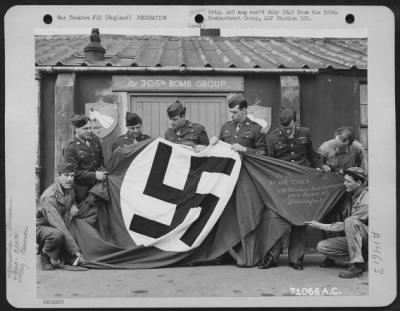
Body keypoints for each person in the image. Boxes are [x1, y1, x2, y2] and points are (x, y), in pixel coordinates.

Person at [259, 107, 322, 270]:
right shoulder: (272, 137)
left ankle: (296, 259)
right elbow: (270, 163)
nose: (287, 132)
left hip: (302, 184)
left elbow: (311, 155)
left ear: (295, 121)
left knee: (300, 220)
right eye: (283, 129)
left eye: (289, 128)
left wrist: (321, 166)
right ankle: (272, 258)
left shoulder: (305, 133)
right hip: (283, 185)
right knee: (276, 219)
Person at [317, 126, 368, 268]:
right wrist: (322, 167)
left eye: (342, 146)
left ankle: (355, 256)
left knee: (349, 220)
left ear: (350, 144)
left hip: (349, 191)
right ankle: (329, 258)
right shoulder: (325, 147)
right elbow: (316, 164)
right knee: (328, 218)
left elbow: (363, 171)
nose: (338, 147)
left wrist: (360, 192)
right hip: (330, 191)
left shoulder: (358, 149)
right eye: (337, 143)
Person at [305, 167, 368, 278]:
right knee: (323, 247)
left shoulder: (367, 200)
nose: (344, 184)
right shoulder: (351, 196)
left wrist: (320, 226)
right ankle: (362, 259)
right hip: (359, 241)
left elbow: (346, 225)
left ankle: (357, 265)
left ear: (359, 182)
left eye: (348, 181)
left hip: (371, 241)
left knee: (351, 221)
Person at [36, 162, 87, 271]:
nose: (70, 179)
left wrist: (74, 205)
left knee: (75, 226)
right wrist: (76, 250)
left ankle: (64, 256)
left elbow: (73, 199)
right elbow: (59, 225)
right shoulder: (49, 197)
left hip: (55, 224)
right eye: (66, 175)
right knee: (57, 234)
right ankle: (44, 255)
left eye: (72, 175)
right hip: (41, 228)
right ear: (58, 176)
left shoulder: (69, 189)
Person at [63, 114, 107, 203]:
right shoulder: (70, 148)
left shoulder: (95, 141)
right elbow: (73, 173)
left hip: (99, 189)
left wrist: (102, 170)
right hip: (82, 193)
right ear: (76, 129)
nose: (89, 131)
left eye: (90, 128)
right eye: (85, 129)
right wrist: (95, 175)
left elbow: (101, 160)